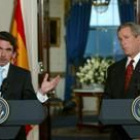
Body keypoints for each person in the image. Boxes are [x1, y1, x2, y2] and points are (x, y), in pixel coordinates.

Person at [0, 31, 60, 140]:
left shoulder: (22, 75)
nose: (3, 54)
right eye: (0, 48)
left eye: (8, 50)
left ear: (14, 54)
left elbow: (30, 106)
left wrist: (41, 92)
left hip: (15, 134)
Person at [104, 22, 140, 140]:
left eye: (126, 37)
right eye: (120, 39)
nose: (122, 42)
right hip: (118, 134)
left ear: (138, 38)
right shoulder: (113, 69)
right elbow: (106, 102)